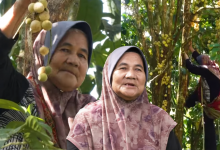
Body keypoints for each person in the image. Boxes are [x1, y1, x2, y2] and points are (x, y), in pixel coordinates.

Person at [0, 0, 96, 149]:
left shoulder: (90, 110)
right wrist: (22, 6)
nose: (74, 61)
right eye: (65, 49)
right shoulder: (16, 90)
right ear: (42, 53)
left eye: (82, 56)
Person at [66, 46, 181, 150]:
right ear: (109, 74)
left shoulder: (160, 120)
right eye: (123, 68)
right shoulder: (87, 118)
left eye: (138, 69)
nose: (131, 75)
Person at [184, 42, 220, 150]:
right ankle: (188, 103)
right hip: (216, 101)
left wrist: (185, 56)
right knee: (199, 91)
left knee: (198, 93)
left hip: (213, 103)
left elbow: (192, 68)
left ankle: (186, 103)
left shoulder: (207, 70)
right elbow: (199, 59)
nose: (204, 57)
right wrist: (191, 48)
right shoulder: (213, 67)